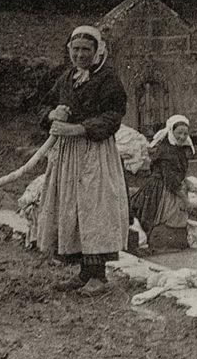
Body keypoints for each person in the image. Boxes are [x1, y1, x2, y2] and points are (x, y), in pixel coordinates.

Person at [35, 25, 130, 295]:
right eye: (75, 49)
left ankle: (99, 276)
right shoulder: (67, 78)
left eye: (86, 49)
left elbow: (114, 115)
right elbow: (43, 104)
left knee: (94, 209)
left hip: (94, 152)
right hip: (69, 156)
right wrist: (53, 114)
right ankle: (84, 272)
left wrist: (78, 128)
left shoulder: (108, 78)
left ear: (97, 51)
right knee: (74, 208)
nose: (80, 54)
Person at [129, 114, 195, 252]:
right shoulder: (166, 151)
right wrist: (185, 200)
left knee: (176, 218)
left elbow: (177, 174)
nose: (182, 137)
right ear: (171, 132)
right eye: (179, 133)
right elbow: (171, 181)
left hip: (172, 187)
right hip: (162, 189)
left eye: (185, 133)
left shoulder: (179, 148)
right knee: (164, 218)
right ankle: (161, 243)